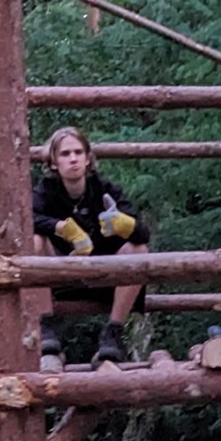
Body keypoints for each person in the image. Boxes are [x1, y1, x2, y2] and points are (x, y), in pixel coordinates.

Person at [29, 125, 150, 364]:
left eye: (78, 152)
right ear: (54, 162)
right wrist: (61, 227)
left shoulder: (106, 190)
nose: (73, 159)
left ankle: (113, 333)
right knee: (33, 241)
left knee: (139, 250)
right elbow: (25, 219)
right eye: (65, 154)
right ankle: (46, 327)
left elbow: (143, 234)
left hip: (104, 278)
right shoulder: (44, 191)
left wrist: (124, 224)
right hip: (59, 278)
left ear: (87, 159)